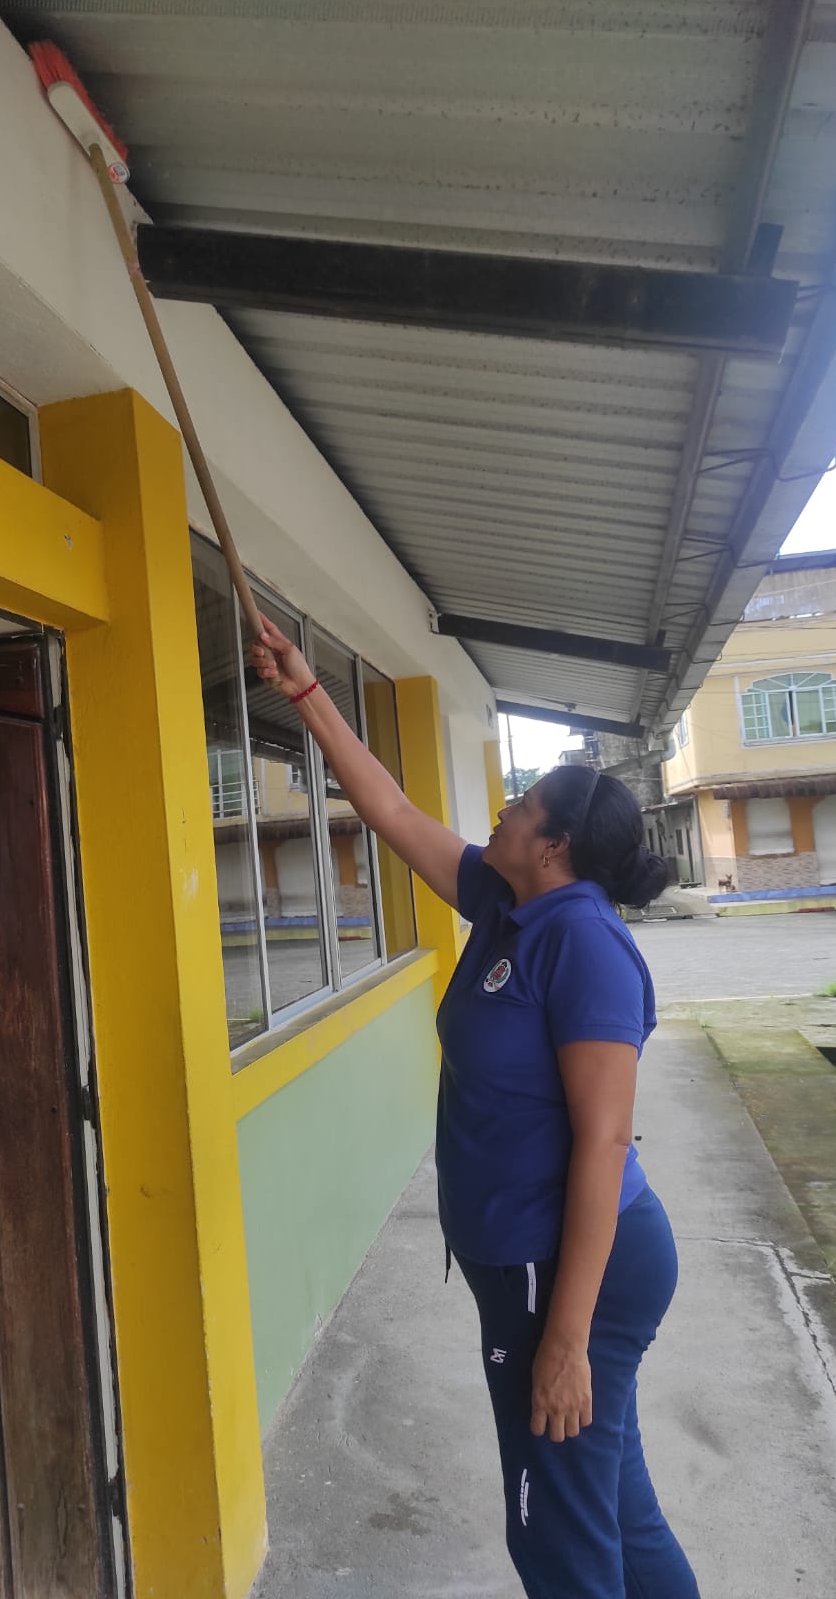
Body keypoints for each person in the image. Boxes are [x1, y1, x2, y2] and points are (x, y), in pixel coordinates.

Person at [250, 614, 700, 1599]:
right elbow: (391, 809)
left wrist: (565, 1342)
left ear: (555, 846)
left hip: (566, 1270)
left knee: (556, 1533)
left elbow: (603, 1142)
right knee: (610, 1505)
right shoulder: (507, 904)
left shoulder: (582, 944)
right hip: (532, 1262)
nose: (503, 807)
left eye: (523, 805)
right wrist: (306, 691)